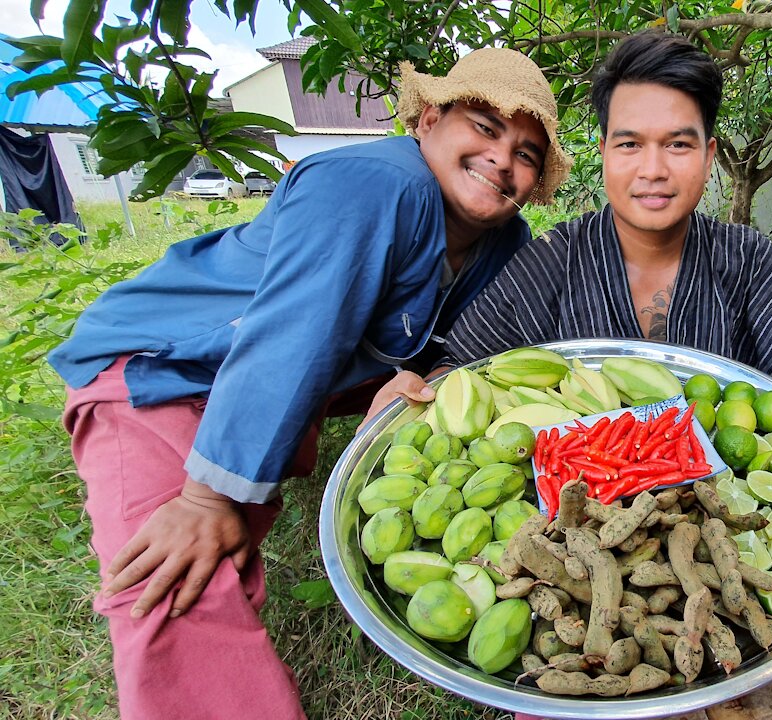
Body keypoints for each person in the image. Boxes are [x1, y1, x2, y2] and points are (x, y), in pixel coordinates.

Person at [48, 49, 571, 720]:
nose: (504, 158)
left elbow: (468, 353)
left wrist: (423, 378)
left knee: (230, 536)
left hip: (294, 376)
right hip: (166, 368)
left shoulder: (503, 245)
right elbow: (293, 333)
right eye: (485, 126)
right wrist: (207, 500)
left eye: (527, 153)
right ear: (430, 120)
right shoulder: (371, 183)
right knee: (177, 577)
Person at [377, 32, 772, 587]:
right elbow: (465, 366)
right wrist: (414, 389)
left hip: (726, 497)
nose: (653, 169)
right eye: (631, 144)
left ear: (709, 153)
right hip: (591, 516)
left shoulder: (742, 257)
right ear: (605, 151)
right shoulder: (555, 260)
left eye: (677, 144)